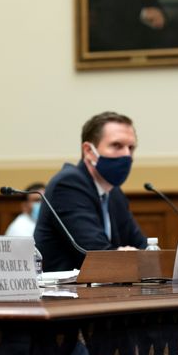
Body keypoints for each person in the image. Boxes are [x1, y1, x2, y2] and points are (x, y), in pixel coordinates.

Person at [34, 111, 146, 272]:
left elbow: (142, 246)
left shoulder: (114, 193)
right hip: (64, 293)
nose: (127, 155)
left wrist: (143, 255)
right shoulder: (68, 185)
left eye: (131, 148)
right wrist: (129, 256)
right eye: (117, 145)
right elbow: (94, 255)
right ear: (88, 150)